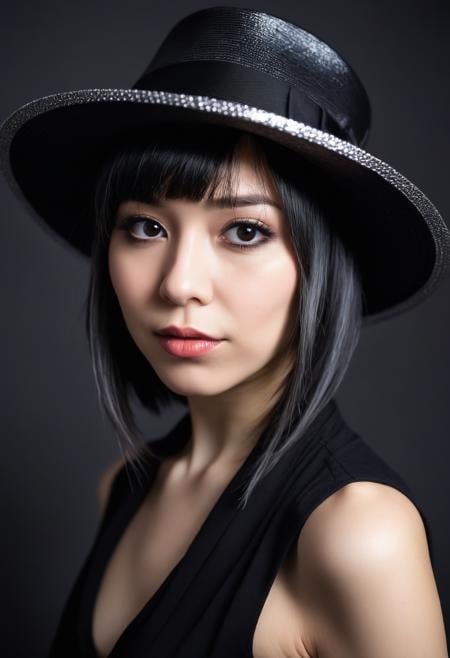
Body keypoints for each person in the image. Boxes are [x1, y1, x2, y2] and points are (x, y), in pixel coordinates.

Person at [1, 6, 448, 658]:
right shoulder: (125, 485)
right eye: (146, 227)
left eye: (245, 231)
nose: (180, 283)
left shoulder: (358, 534)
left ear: (320, 265)